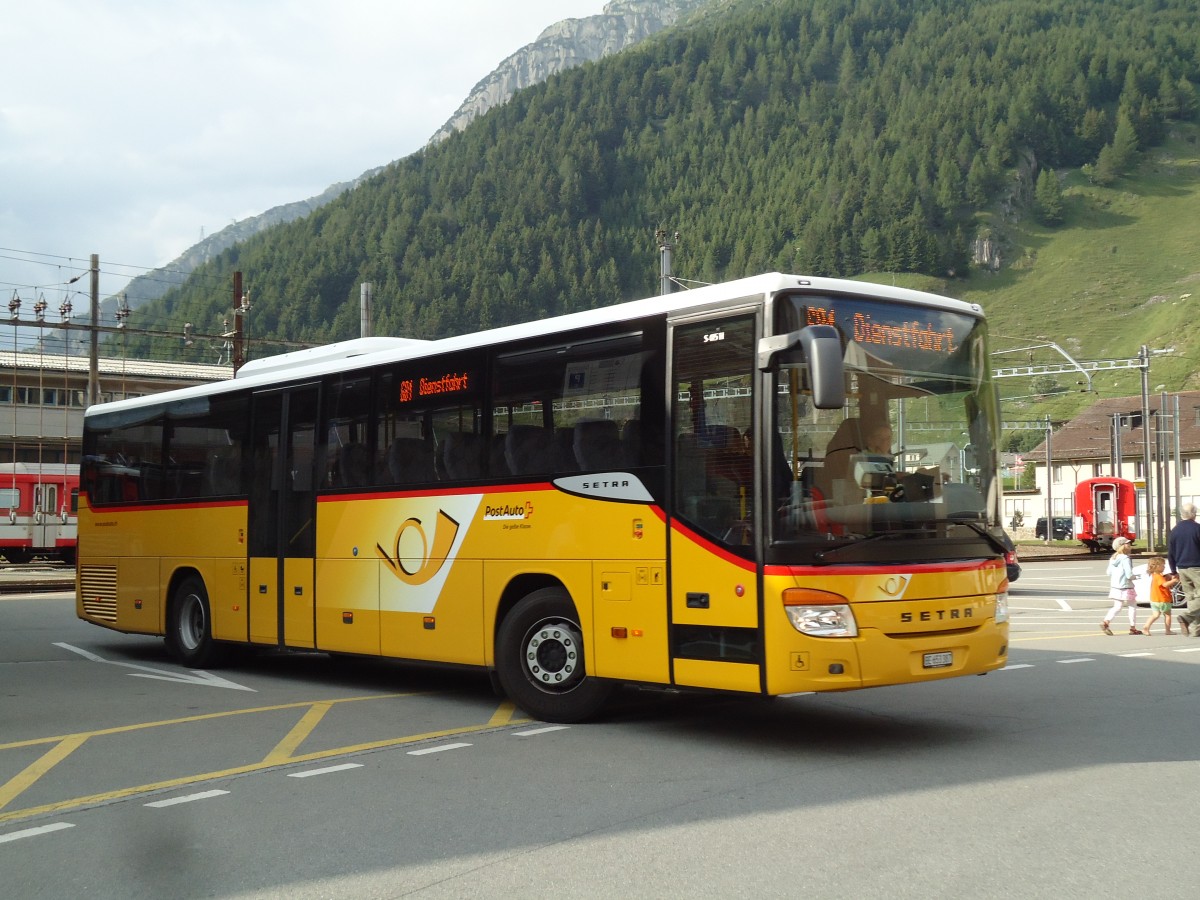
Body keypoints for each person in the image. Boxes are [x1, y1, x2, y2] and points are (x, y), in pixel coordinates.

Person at [1168, 503, 1200, 637]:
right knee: (1197, 597)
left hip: (1181, 568)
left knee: (1192, 597)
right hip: (1197, 567)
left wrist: (1173, 570)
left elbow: (1171, 552)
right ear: (1194, 513)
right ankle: (1186, 617)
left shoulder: (1175, 530)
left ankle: (1195, 630)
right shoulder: (1197, 528)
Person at [1101, 536, 1140, 635]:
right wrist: (1137, 577)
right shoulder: (1125, 558)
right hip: (1126, 586)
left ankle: (1106, 621)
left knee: (1117, 606)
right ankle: (1132, 627)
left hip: (1115, 586)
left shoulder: (1113, 557)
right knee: (1132, 606)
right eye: (1128, 543)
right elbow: (1129, 574)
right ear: (1123, 546)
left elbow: (1108, 572)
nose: (1130, 545)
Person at [1140, 556, 1178, 636]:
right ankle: (1168, 630)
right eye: (1163, 565)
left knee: (1155, 615)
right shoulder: (1159, 577)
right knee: (1167, 615)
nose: (1164, 567)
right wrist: (1173, 581)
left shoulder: (1155, 575)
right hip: (1163, 599)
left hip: (1154, 599)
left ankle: (1146, 627)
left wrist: (1168, 577)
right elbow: (1165, 585)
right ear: (1157, 566)